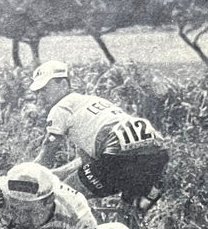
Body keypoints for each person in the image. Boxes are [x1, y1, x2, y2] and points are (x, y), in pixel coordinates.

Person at [29, 60, 169, 207]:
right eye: (38, 91)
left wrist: (17, 176)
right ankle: (130, 227)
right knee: (128, 212)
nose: (40, 95)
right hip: (156, 151)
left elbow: (46, 157)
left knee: (60, 198)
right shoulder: (93, 101)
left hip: (118, 153)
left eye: (44, 89)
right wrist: (58, 173)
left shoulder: (60, 108)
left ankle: (84, 228)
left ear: (64, 84)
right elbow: (86, 160)